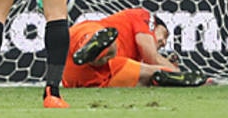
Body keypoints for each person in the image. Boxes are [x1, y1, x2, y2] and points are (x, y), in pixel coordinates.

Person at [63, 8, 207, 88]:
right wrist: (175, 70)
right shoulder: (144, 16)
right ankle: (91, 45)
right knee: (110, 45)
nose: (163, 42)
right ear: (155, 25)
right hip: (78, 41)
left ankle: (159, 78)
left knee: (145, 77)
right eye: (165, 34)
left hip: (79, 79)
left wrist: (169, 72)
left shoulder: (131, 57)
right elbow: (152, 57)